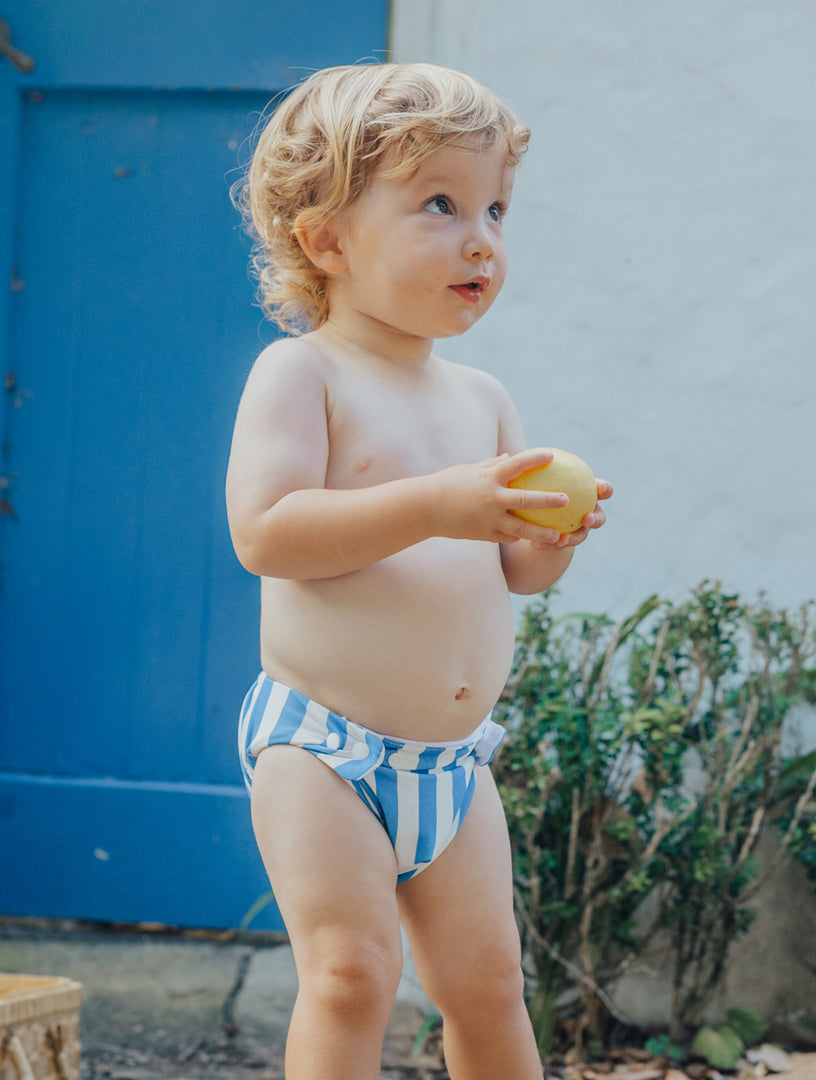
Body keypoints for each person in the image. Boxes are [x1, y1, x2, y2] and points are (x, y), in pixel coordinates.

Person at [225, 61, 612, 1080]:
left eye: (495, 207)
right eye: (439, 203)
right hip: (325, 749)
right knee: (351, 974)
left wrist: (544, 544)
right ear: (327, 240)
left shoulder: (481, 398)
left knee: (488, 986)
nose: (480, 235)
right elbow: (268, 532)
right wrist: (440, 504)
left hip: (451, 765)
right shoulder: (302, 374)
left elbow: (512, 578)